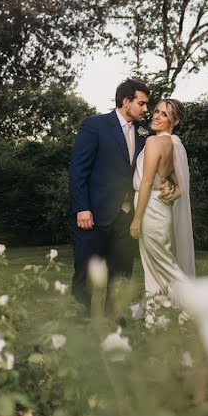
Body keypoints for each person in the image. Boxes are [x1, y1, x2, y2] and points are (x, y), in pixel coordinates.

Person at [68, 78, 150, 317]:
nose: (146, 109)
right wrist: (82, 208)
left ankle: (115, 324)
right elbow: (78, 170)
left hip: (127, 219)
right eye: (142, 103)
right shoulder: (95, 126)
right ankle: (80, 328)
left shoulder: (144, 132)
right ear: (126, 101)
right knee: (86, 274)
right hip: (93, 215)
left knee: (122, 274)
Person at [130, 99, 196, 317]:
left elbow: (147, 182)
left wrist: (137, 219)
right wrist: (173, 192)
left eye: (164, 114)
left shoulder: (153, 143)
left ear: (174, 121)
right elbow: (179, 186)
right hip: (160, 207)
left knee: (165, 267)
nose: (157, 116)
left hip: (150, 208)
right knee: (153, 268)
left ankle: (197, 311)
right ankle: (156, 321)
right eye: (156, 111)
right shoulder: (172, 144)